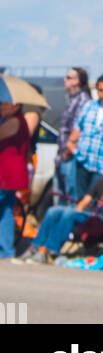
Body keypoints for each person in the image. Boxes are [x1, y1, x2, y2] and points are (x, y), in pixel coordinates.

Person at [18, 153, 103, 263]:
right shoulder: (100, 183)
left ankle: (49, 250)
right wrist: (75, 211)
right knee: (54, 211)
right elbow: (85, 200)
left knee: (69, 215)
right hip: (93, 216)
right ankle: (34, 247)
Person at [53, 67, 90, 204]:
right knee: (61, 196)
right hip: (63, 155)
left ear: (77, 81)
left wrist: (69, 150)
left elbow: (80, 129)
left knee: (71, 197)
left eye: (68, 77)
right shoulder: (71, 99)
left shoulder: (83, 101)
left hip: (72, 157)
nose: (64, 80)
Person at [0, 103, 32, 259]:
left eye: (4, 105)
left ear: (15, 106)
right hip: (10, 173)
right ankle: (6, 249)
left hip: (7, 174)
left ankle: (6, 249)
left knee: (5, 208)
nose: (1, 107)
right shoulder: (14, 120)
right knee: (5, 210)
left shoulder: (15, 121)